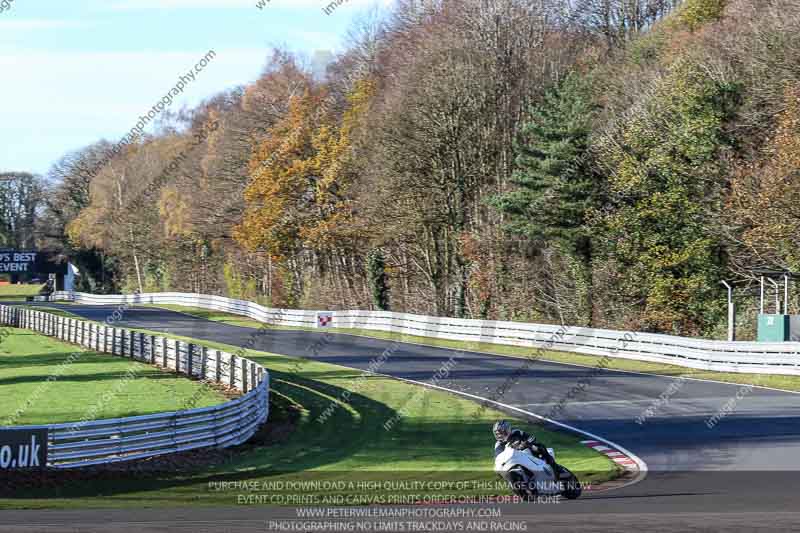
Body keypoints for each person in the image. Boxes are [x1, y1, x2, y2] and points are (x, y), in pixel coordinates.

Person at [493, 420, 563, 477]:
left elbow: (532, 438)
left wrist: (526, 443)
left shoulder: (517, 432)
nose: (500, 435)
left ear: (508, 430)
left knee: (539, 447)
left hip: (526, 452)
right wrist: (498, 468)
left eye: (502, 432)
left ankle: (555, 468)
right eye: (498, 433)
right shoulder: (498, 445)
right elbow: (498, 458)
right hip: (513, 460)